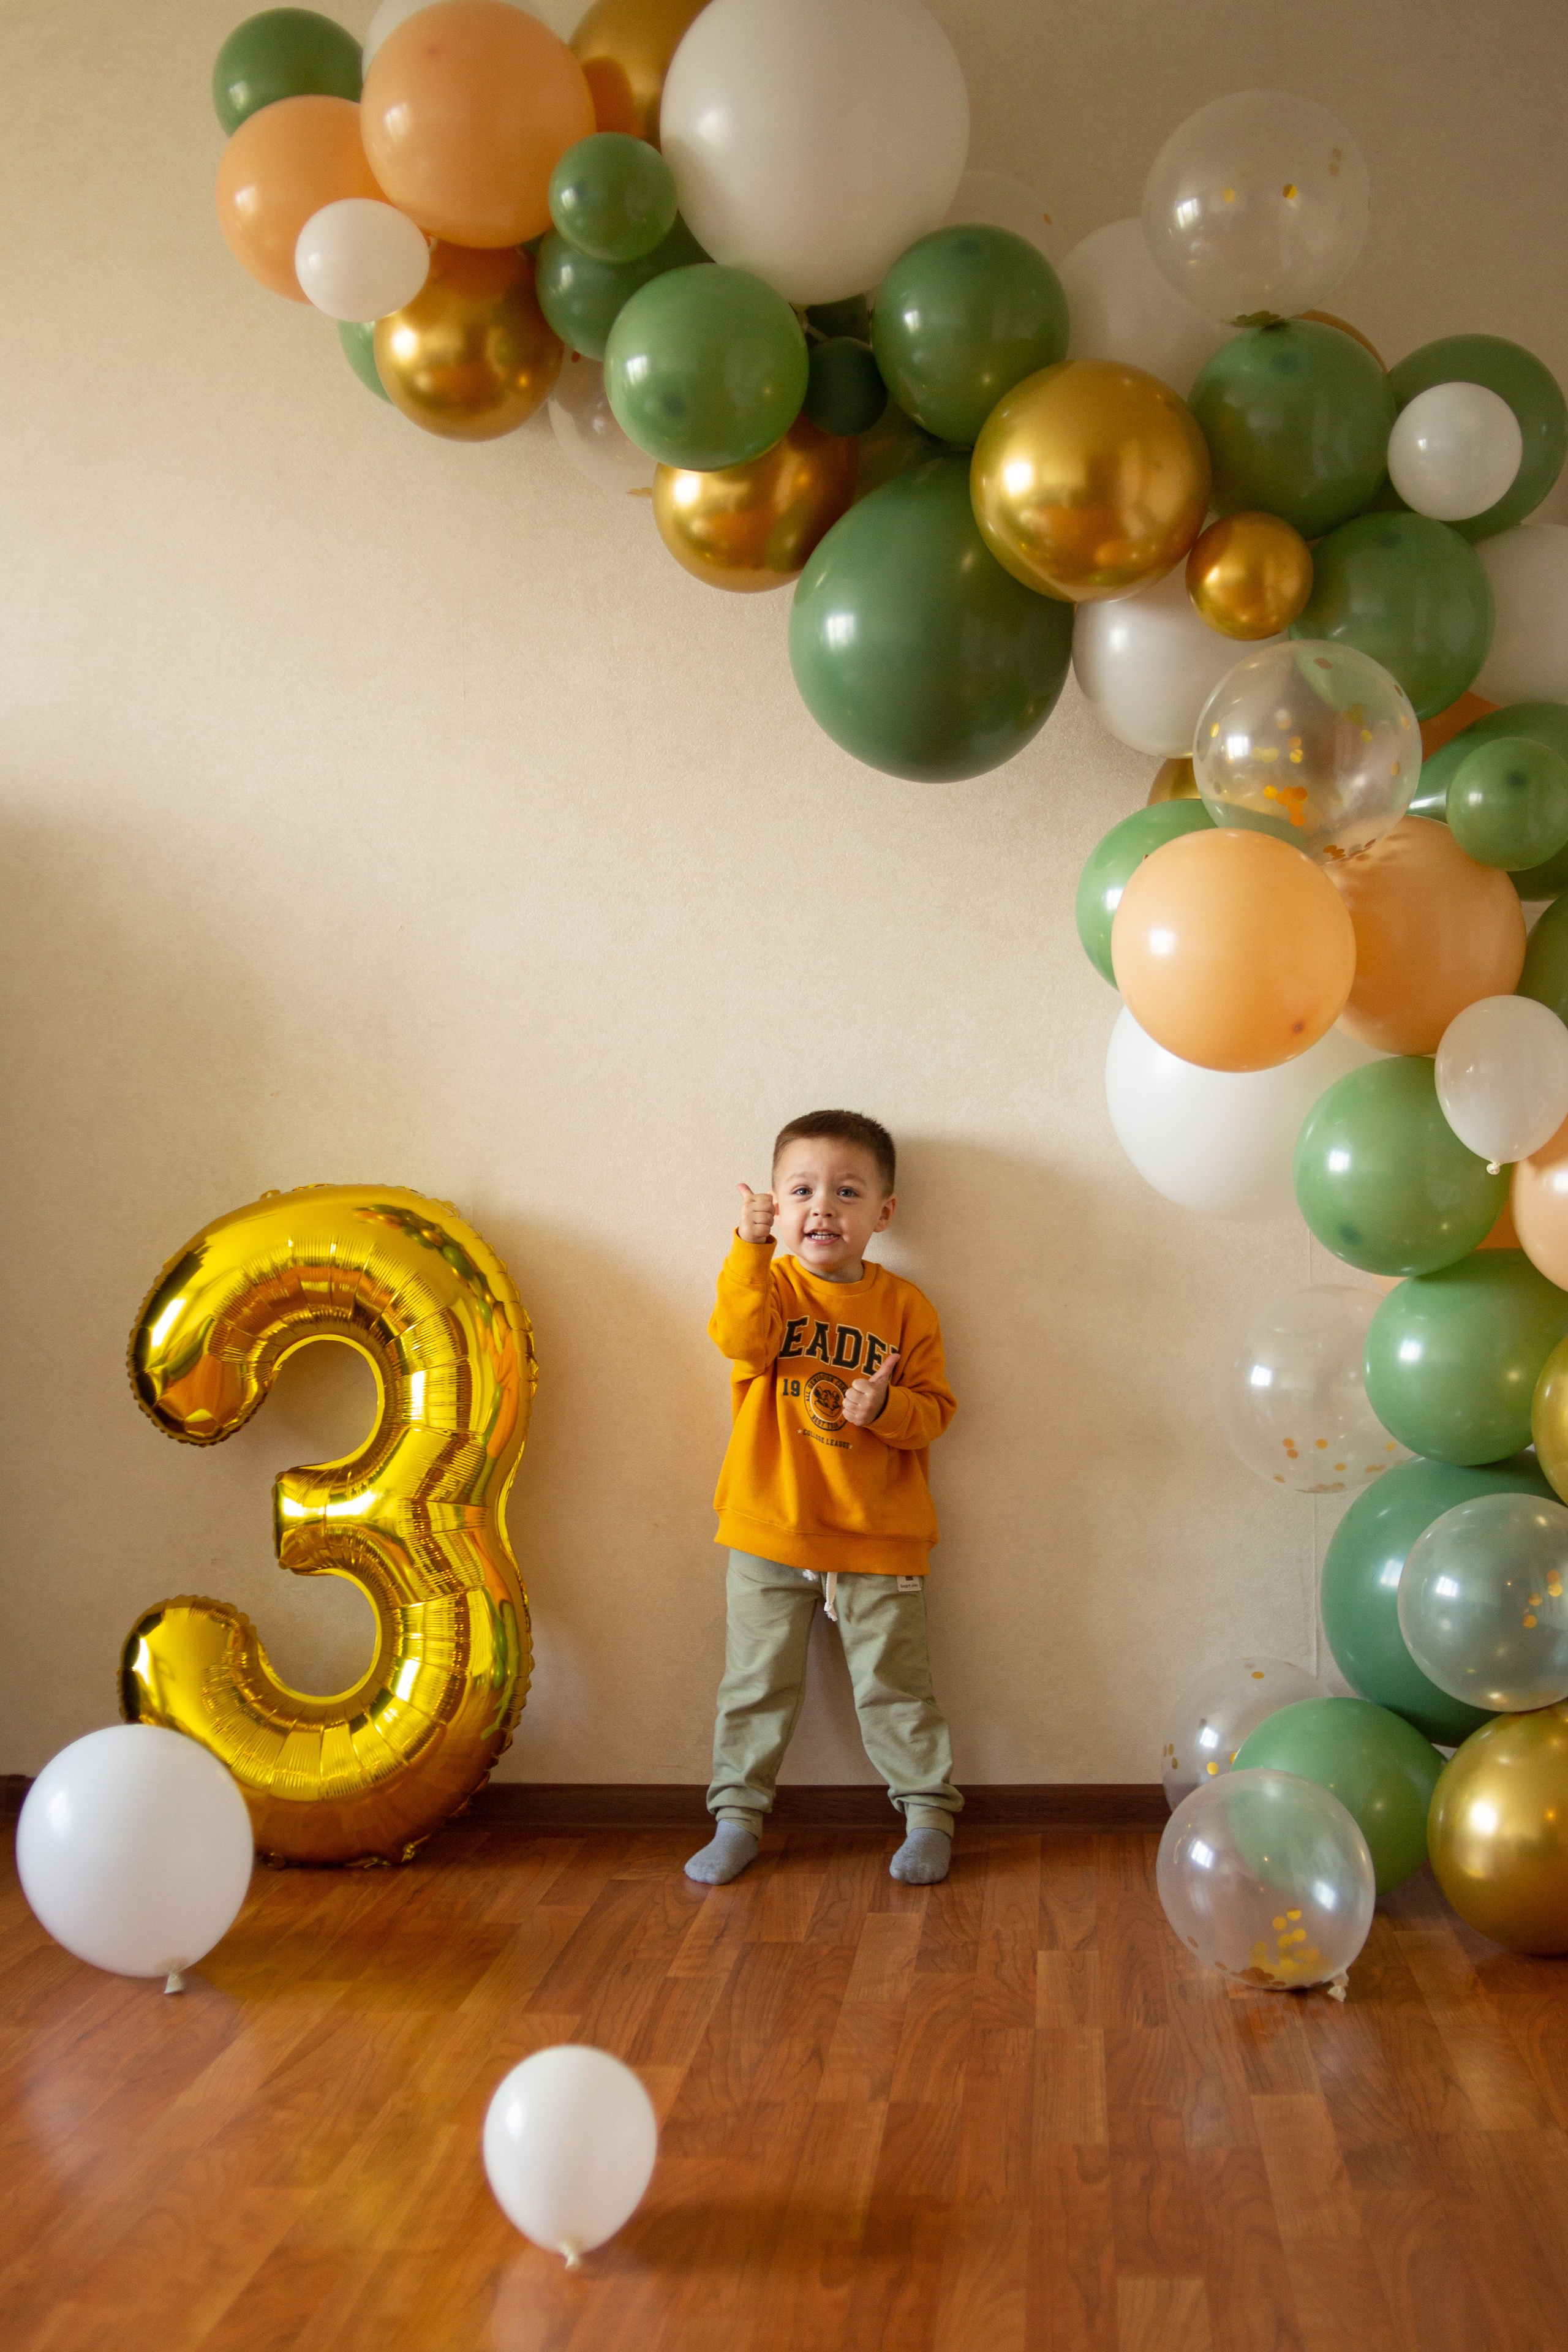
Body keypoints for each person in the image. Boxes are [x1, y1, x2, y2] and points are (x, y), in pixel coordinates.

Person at [685, 1109, 961, 1887]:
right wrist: (748, 1246)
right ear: (776, 1202)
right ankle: (737, 1818)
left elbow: (937, 1412)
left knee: (898, 1691)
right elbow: (738, 1340)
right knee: (755, 1689)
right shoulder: (766, 1287)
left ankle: (928, 1814)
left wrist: (886, 1410)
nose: (823, 1208)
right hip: (769, 1532)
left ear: (884, 1212)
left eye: (846, 1192)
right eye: (802, 1190)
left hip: (879, 1538)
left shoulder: (907, 1308)